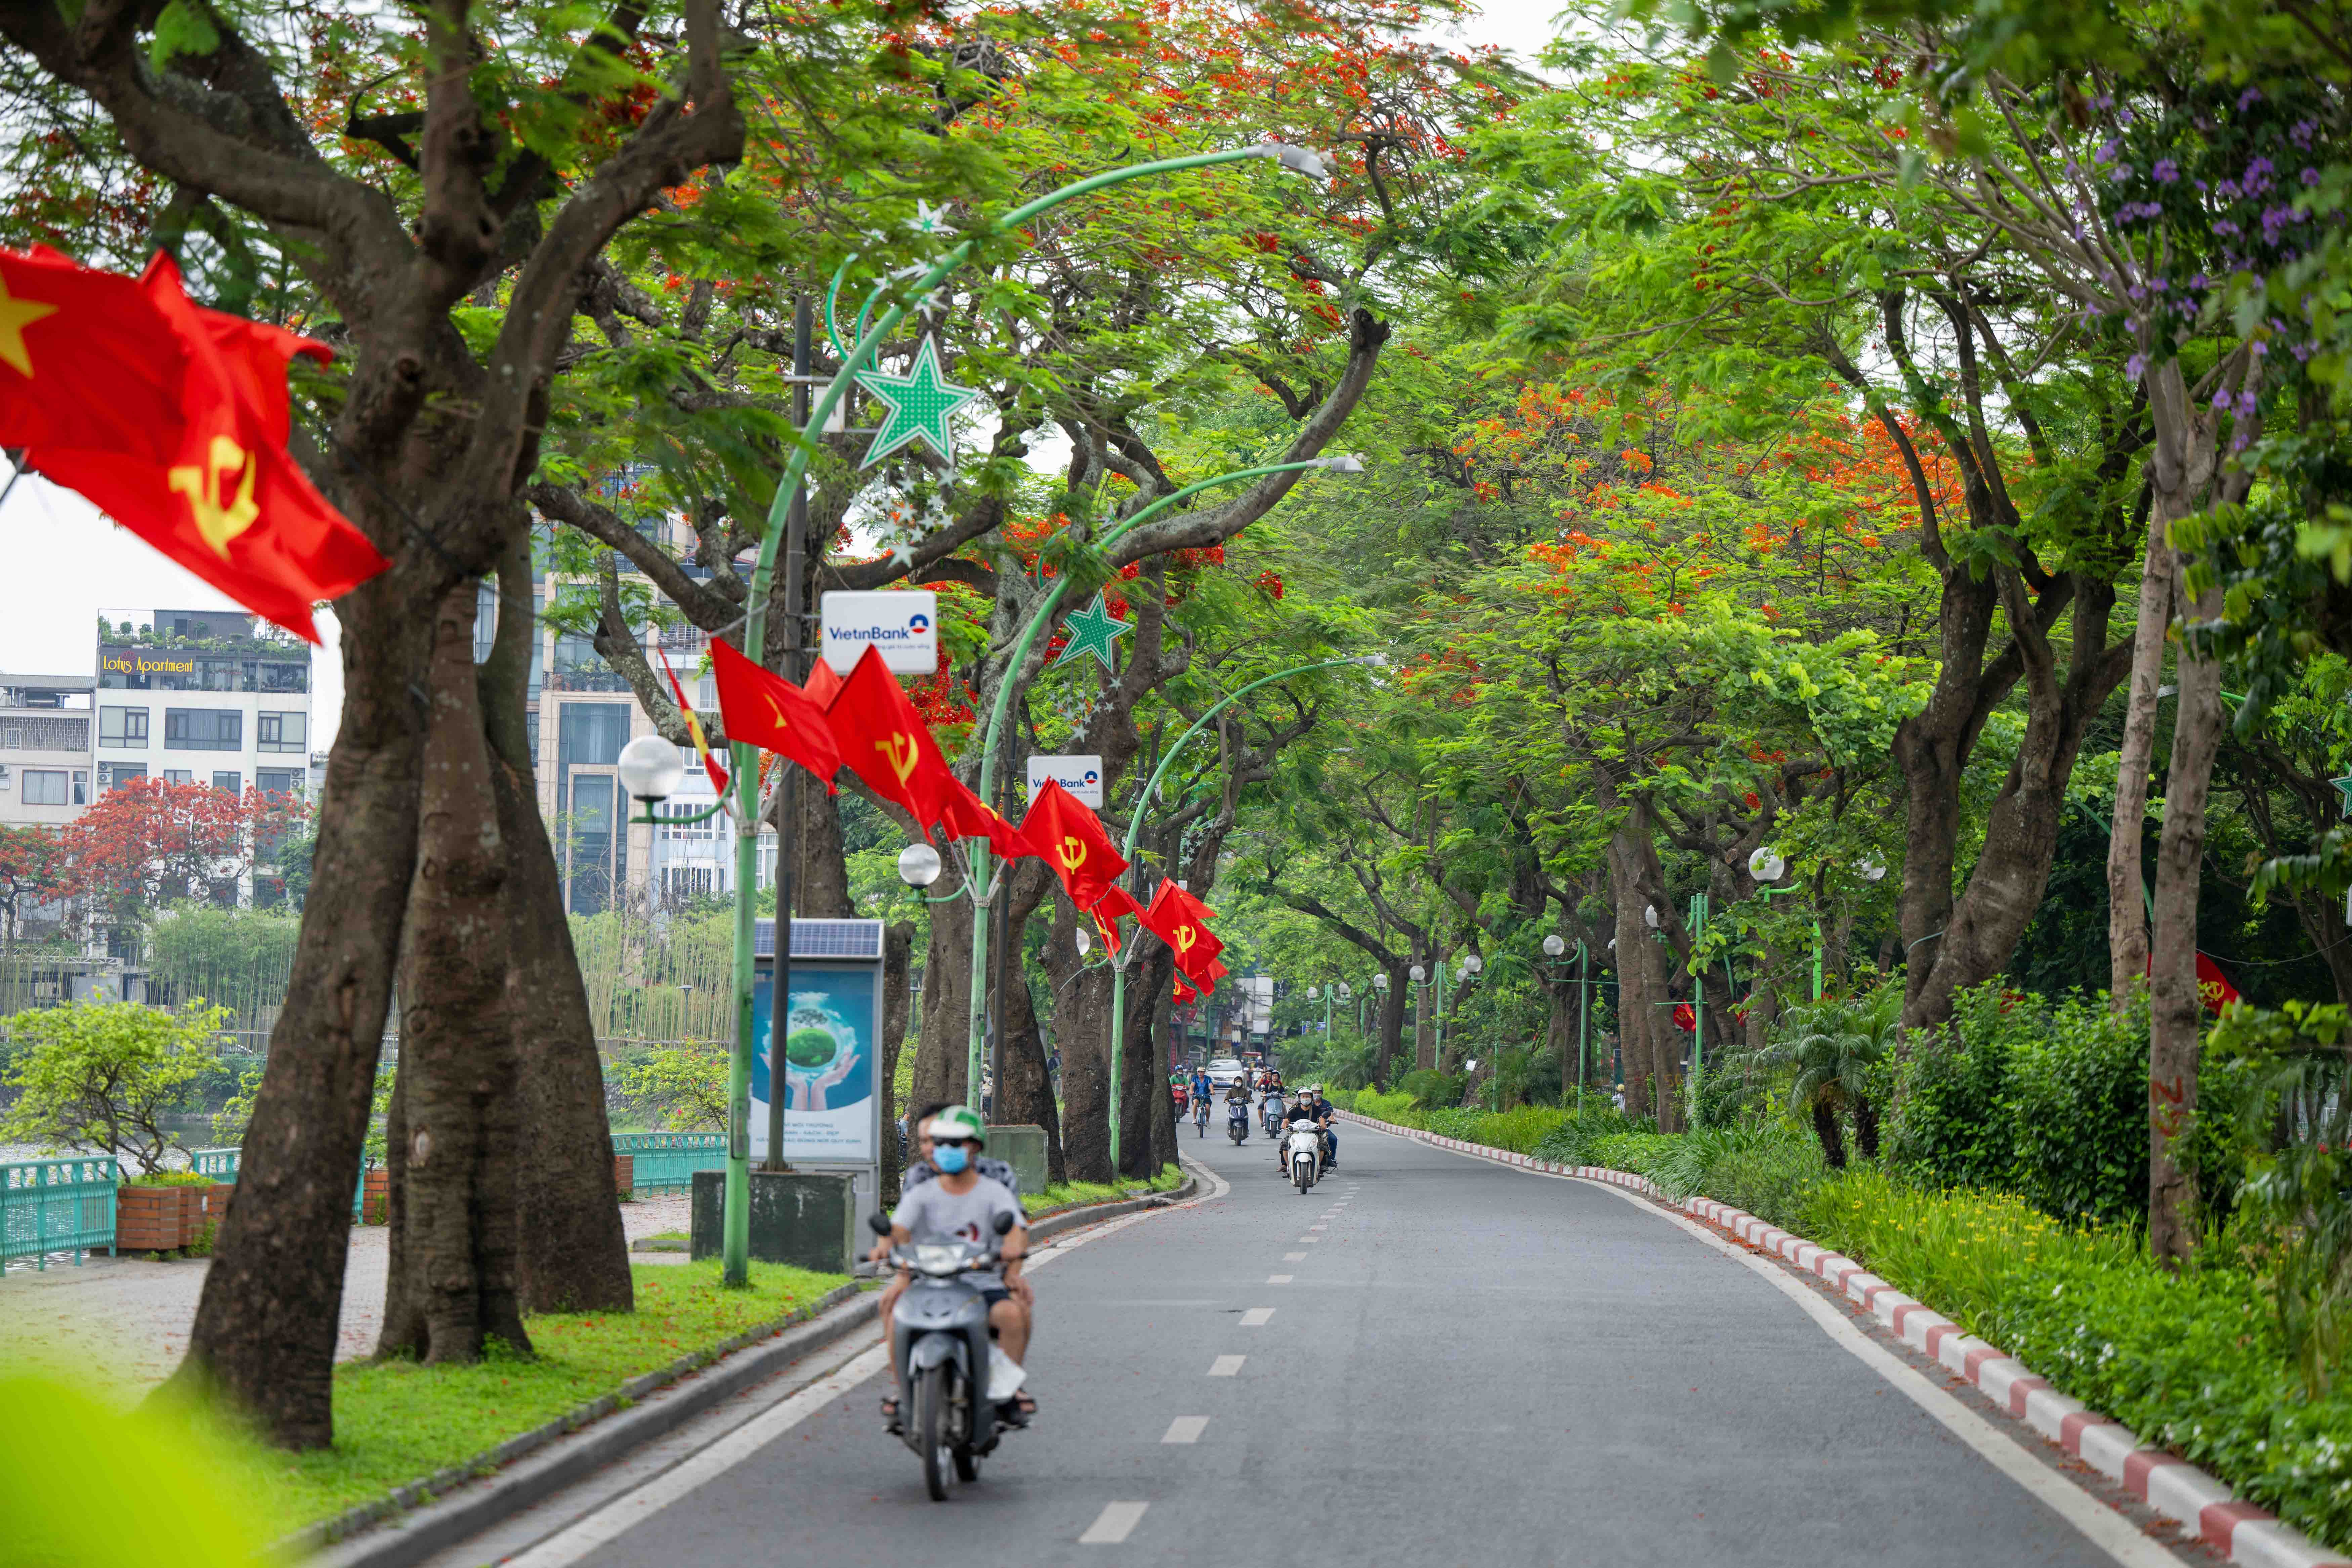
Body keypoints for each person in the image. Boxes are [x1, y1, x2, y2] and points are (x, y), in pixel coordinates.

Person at [878, 1106, 1036, 1426]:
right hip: (927, 1276)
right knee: (891, 1307)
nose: (940, 1150)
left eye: (954, 1142)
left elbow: (1016, 1228)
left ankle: (1006, 1390)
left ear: (974, 1145)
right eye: (935, 1142)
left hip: (981, 1278)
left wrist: (1012, 1267)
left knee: (1016, 1310)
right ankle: (905, 1392)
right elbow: (902, 1230)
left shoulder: (995, 1183)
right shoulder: (920, 1184)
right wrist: (892, 1258)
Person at [1223, 1077, 1252, 1142]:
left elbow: (1248, 1097)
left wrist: (1251, 1100)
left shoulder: (1245, 1090)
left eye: (1240, 1082)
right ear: (1235, 1083)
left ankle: (1246, 1131)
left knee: (1246, 1118)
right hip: (1233, 1106)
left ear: (1242, 1083)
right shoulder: (1231, 1091)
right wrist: (1226, 1100)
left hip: (1243, 1107)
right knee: (1231, 1117)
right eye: (1237, 1082)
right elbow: (1227, 1097)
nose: (1238, 1083)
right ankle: (1230, 1129)